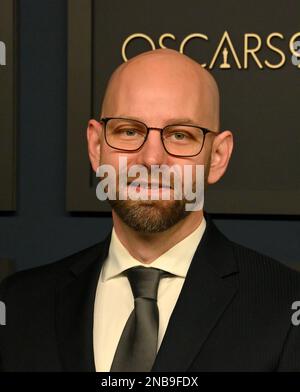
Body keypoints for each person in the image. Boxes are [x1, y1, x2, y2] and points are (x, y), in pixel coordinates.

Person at [1, 48, 300, 372]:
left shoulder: (285, 307)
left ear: (217, 157)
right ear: (96, 146)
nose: (152, 159)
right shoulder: (19, 305)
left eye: (180, 135)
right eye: (129, 131)